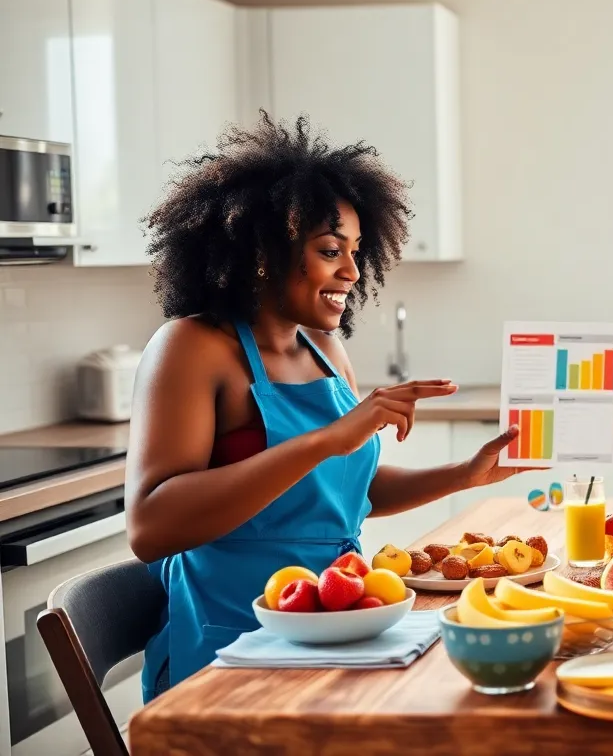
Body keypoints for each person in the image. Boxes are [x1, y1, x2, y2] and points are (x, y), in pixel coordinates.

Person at [126, 113, 532, 701]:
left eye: (356, 251)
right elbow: (151, 526)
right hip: (232, 644)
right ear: (265, 253)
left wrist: (462, 476)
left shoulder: (323, 348)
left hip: (341, 621)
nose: (351, 270)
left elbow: (342, 491)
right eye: (329, 250)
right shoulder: (193, 347)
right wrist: (328, 438)